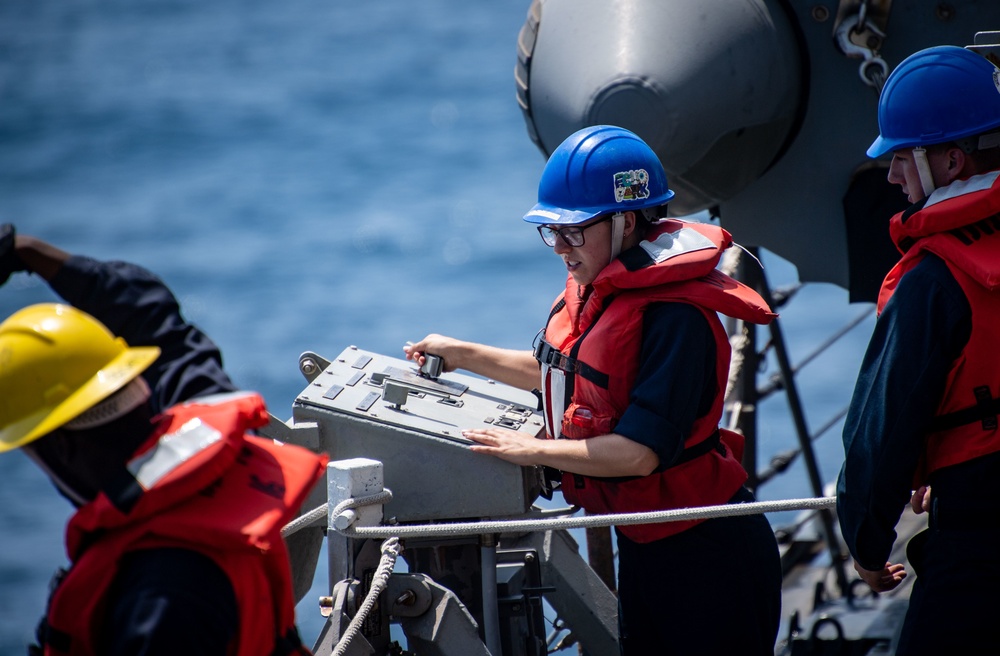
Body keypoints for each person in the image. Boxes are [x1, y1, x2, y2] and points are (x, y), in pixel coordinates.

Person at [405, 125, 783, 654]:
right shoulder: (602, 288)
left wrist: (528, 449)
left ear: (627, 221)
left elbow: (639, 455)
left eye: (573, 231)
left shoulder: (676, 319)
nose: (559, 247)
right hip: (646, 543)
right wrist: (462, 354)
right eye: (551, 231)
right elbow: (567, 373)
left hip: (706, 554)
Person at [0, 224, 328, 655]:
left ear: (59, 449)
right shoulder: (210, 435)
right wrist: (27, 252)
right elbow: (160, 328)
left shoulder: (157, 600)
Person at [836, 45, 1000, 655]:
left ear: (951, 160)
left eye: (902, 156)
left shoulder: (933, 281)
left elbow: (881, 430)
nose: (892, 175)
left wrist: (867, 542)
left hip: (980, 534)